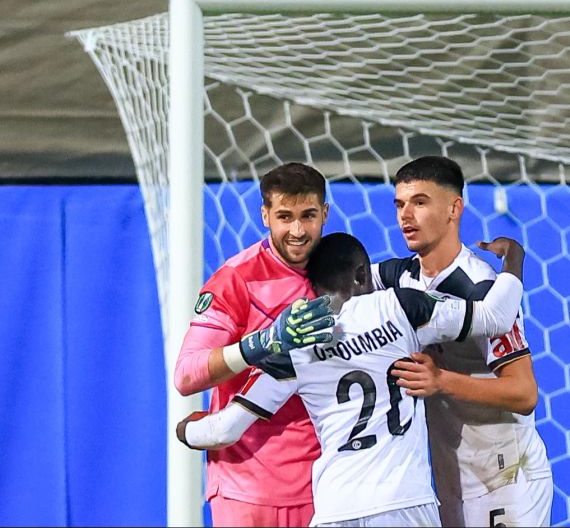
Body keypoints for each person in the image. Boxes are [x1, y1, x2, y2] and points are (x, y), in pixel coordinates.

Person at [176, 231, 527, 527]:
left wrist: (186, 429)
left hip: (335, 509)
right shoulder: (400, 306)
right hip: (404, 502)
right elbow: (496, 316)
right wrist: (514, 260)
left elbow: (223, 432)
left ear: (313, 287)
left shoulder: (295, 347)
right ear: (362, 275)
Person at [380, 156, 554, 527]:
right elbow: (347, 278)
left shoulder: (483, 290)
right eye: (400, 204)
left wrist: (441, 382)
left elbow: (524, 394)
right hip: (450, 478)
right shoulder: (400, 277)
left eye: (420, 202)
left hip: (506, 478)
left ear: (454, 208)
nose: (405, 215)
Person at [173, 162, 332, 527]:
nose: (297, 230)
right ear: (264, 215)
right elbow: (186, 375)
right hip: (247, 487)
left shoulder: (343, 273)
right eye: (284, 216)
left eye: (308, 216)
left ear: (325, 213)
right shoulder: (236, 279)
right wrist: (261, 344)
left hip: (324, 485)